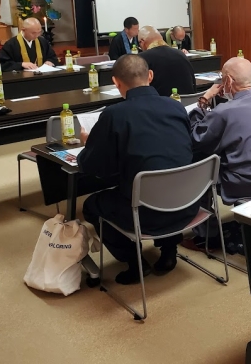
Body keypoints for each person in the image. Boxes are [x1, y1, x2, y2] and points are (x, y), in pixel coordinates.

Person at [79, 55, 201, 285]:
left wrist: (89, 144)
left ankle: (135, 262)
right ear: (150, 76)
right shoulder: (176, 107)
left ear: (116, 82)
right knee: (166, 181)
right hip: (188, 205)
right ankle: (169, 252)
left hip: (145, 215)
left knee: (92, 205)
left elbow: (92, 166)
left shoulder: (114, 115)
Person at [189, 57, 251, 204]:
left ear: (228, 81)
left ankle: (207, 217)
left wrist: (204, 99)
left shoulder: (224, 111)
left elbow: (197, 138)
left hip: (244, 184)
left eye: (222, 78)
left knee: (201, 163)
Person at [138, 26, 195, 96]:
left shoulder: (142, 59)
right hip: (188, 101)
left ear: (142, 42)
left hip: (160, 102)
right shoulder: (181, 54)